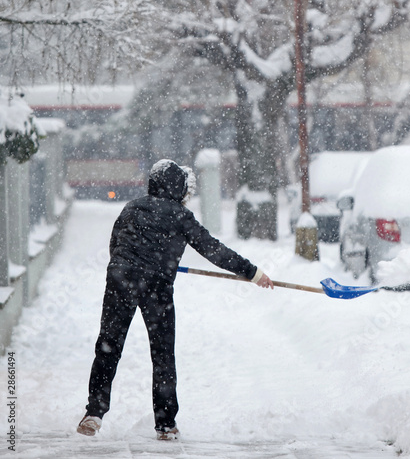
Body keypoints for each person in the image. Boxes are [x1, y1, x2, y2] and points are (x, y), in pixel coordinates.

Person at [77, 159, 273, 440]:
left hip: (121, 279)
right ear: (176, 187)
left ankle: (94, 412)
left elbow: (116, 244)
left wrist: (133, 264)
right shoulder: (180, 216)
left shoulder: (132, 207)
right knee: (163, 355)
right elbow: (214, 250)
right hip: (156, 288)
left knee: (108, 347)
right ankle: (166, 424)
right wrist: (253, 273)